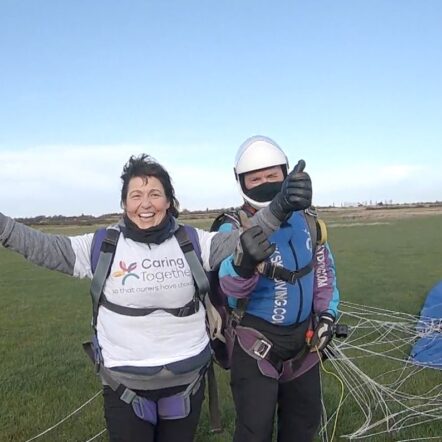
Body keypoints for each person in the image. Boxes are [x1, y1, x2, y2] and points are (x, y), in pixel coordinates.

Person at [0, 153, 310, 442]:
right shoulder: (101, 246)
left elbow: (243, 239)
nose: (145, 204)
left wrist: (280, 206)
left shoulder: (193, 242)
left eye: (154, 194)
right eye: (135, 195)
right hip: (124, 385)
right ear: (124, 203)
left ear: (169, 201)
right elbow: (42, 247)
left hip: (186, 384)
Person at [215, 136, 340, 442]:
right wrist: (243, 261)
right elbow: (228, 288)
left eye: (272, 175)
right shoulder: (232, 226)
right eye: (255, 178)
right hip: (255, 343)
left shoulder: (309, 221)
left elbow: (323, 272)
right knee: (254, 431)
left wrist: (326, 316)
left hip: (304, 344)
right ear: (241, 181)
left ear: (286, 174)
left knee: (303, 427)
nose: (264, 183)